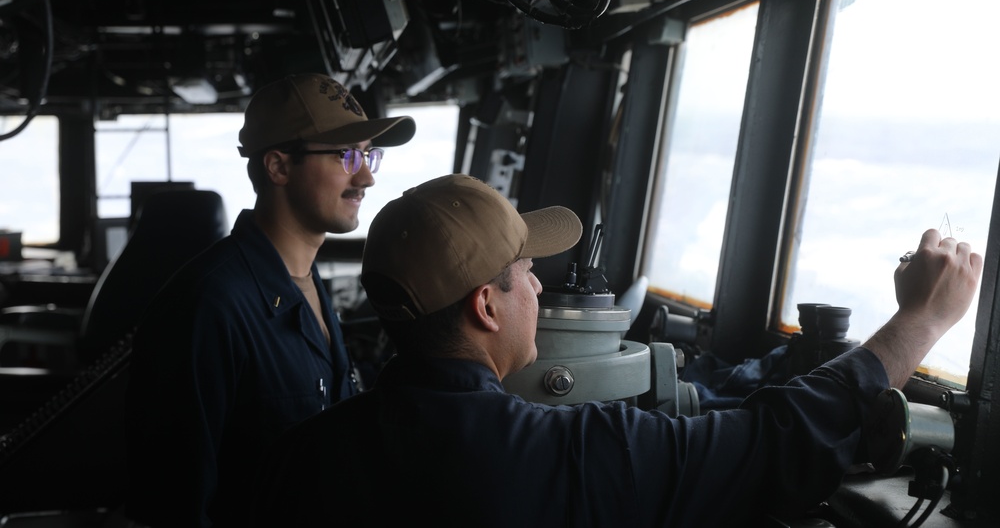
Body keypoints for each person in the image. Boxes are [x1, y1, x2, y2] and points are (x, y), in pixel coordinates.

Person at [252, 173, 983, 527]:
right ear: (485, 304)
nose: (537, 287)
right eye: (525, 274)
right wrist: (920, 320)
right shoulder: (565, 454)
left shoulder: (297, 459)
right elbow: (768, 445)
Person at [124, 72, 416, 528]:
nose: (365, 177)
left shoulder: (304, 279)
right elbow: (173, 504)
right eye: (346, 155)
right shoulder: (207, 305)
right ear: (278, 167)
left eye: (368, 156)